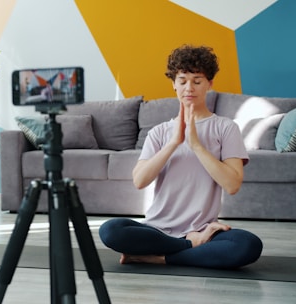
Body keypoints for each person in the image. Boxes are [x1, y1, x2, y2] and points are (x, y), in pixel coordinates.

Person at [98, 45, 263, 269]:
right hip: (157, 230)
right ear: (173, 84)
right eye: (183, 80)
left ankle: (160, 258)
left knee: (247, 245)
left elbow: (232, 184)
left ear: (209, 84)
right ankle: (188, 247)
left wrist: (196, 145)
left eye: (197, 80)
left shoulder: (226, 128)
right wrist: (174, 142)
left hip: (204, 230)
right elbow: (140, 181)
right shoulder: (159, 132)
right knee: (111, 231)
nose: (189, 88)